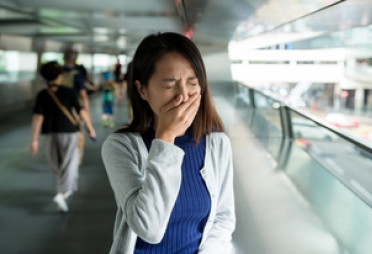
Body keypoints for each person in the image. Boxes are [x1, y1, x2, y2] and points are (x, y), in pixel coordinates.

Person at [101, 32, 235, 254]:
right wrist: (166, 138)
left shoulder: (217, 144)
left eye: (192, 82)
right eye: (170, 84)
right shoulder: (120, 147)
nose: (183, 96)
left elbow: (223, 218)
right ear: (142, 90)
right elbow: (149, 228)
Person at [30, 61, 96, 212]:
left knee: (57, 164)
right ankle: (62, 193)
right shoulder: (68, 92)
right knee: (70, 162)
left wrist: (34, 139)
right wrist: (90, 128)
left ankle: (66, 189)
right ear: (60, 76)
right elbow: (81, 111)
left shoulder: (42, 95)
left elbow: (38, 117)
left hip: (50, 134)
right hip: (69, 132)